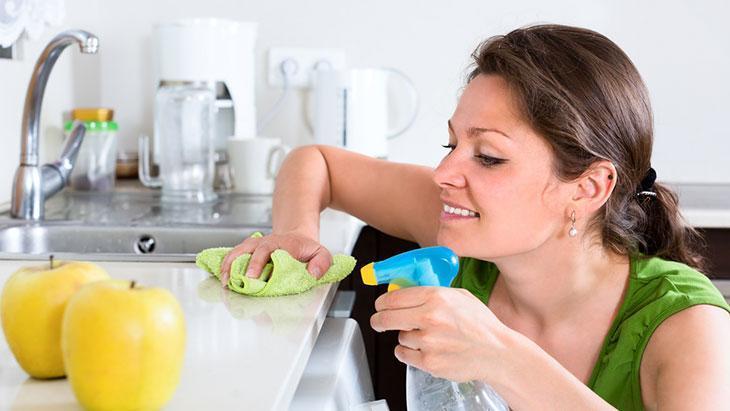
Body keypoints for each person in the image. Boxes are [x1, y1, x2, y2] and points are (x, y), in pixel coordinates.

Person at [220, 24, 730, 409]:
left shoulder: (687, 326)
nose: (445, 173)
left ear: (589, 187)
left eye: (488, 157)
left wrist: (502, 356)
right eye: (452, 144)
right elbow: (318, 163)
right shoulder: (466, 233)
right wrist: (295, 234)